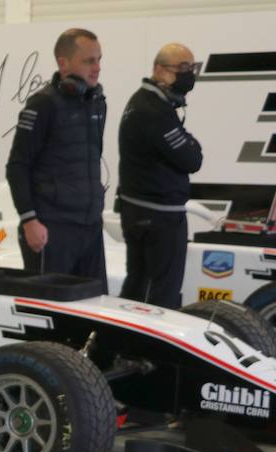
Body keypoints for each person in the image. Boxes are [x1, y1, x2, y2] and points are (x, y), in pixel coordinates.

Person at [6, 28, 108, 284]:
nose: (96, 67)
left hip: (90, 228)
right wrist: (30, 220)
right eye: (88, 61)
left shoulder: (97, 102)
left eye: (99, 59)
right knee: (51, 318)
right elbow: (17, 166)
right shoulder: (43, 105)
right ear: (63, 63)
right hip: (51, 230)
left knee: (96, 309)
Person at [117, 43, 204, 308]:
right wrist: (191, 143)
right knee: (159, 292)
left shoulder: (146, 102)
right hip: (158, 216)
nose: (189, 74)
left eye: (192, 67)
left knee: (139, 284)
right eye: (182, 68)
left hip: (145, 211)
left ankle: (128, 345)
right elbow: (192, 159)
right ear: (158, 69)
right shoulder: (154, 110)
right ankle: (145, 346)